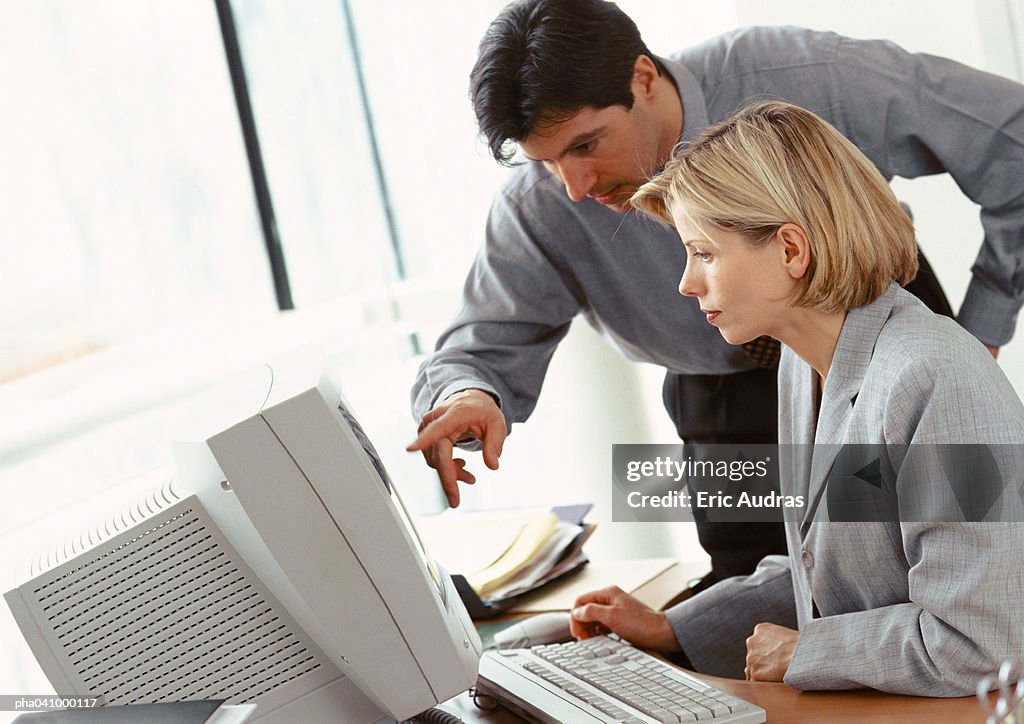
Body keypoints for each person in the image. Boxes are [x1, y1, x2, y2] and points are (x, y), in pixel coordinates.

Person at [407, 0, 1024, 595]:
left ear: (642, 78)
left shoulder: (801, 77)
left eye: (586, 145)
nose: (574, 188)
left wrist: (983, 326)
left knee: (950, 571)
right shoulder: (536, 207)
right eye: (546, 163)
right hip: (726, 401)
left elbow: (1012, 137)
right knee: (760, 607)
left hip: (874, 344)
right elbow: (484, 342)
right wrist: (469, 394)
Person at [569, 101, 1024, 695]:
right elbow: (833, 566)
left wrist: (812, 648)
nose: (686, 282)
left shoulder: (935, 379)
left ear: (790, 250)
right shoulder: (800, 364)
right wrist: (672, 626)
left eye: (703, 252)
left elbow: (983, 644)